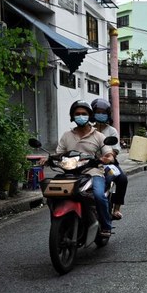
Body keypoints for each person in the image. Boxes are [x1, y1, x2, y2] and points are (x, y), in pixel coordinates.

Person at [56, 100, 115, 237]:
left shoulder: (99, 136)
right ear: (72, 116)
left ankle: (106, 225)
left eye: (83, 113)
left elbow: (108, 153)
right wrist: (47, 159)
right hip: (70, 173)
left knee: (99, 196)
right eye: (77, 114)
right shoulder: (66, 135)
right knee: (53, 193)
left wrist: (108, 158)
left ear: (89, 116)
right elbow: (58, 153)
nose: (80, 116)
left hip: (93, 173)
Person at [91, 98, 128, 220]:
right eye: (98, 112)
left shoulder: (112, 131)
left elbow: (115, 149)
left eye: (103, 112)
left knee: (122, 179)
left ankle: (116, 208)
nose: (100, 115)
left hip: (108, 164)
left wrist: (108, 156)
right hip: (89, 163)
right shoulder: (88, 130)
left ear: (107, 114)